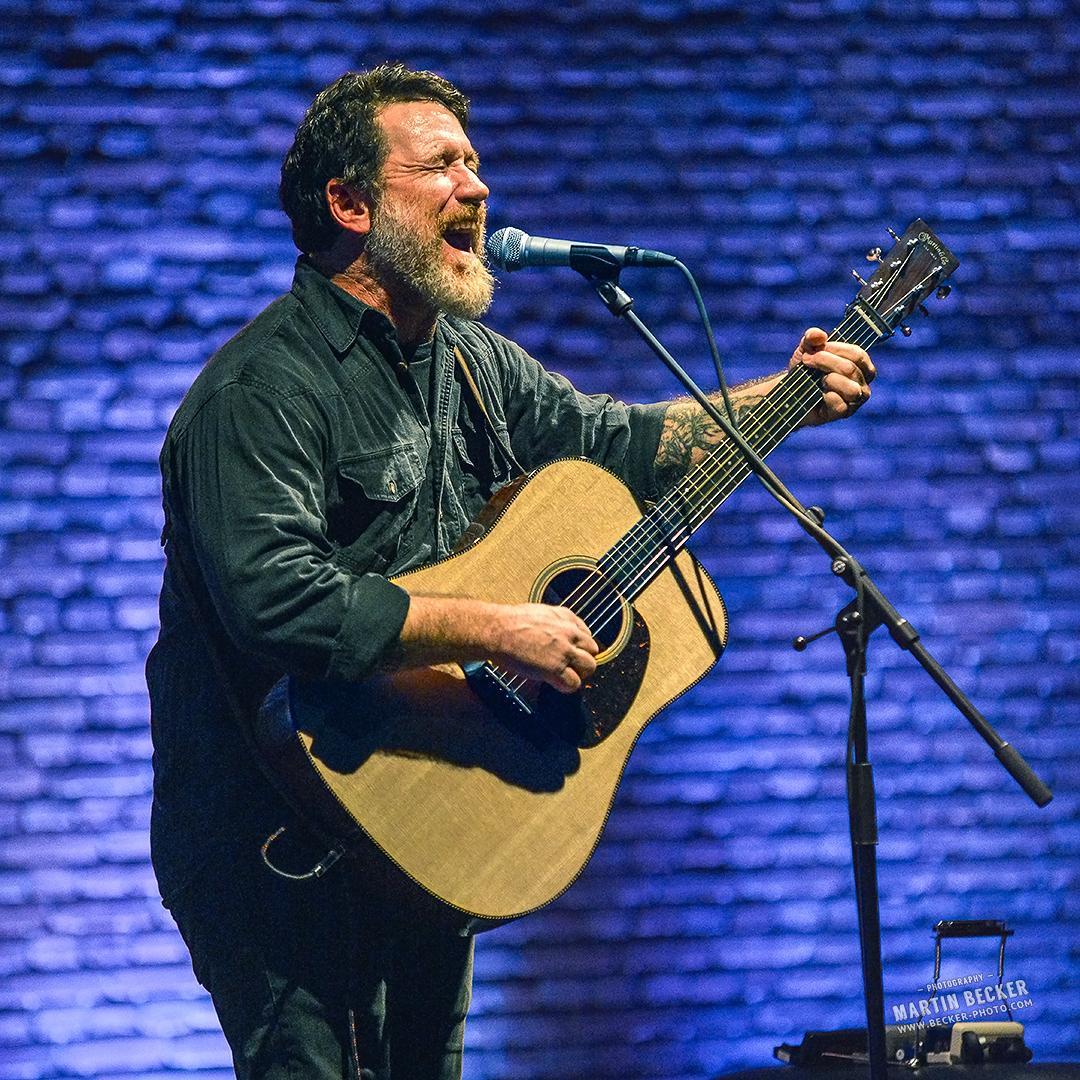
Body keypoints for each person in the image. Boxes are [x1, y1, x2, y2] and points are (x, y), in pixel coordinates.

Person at [146, 63, 875, 1080]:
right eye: (439, 166)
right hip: (281, 837)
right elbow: (279, 602)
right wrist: (498, 627)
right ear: (350, 205)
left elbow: (621, 445)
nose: (477, 187)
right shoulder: (261, 390)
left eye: (475, 163)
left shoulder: (471, 362)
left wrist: (784, 399)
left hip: (432, 805)